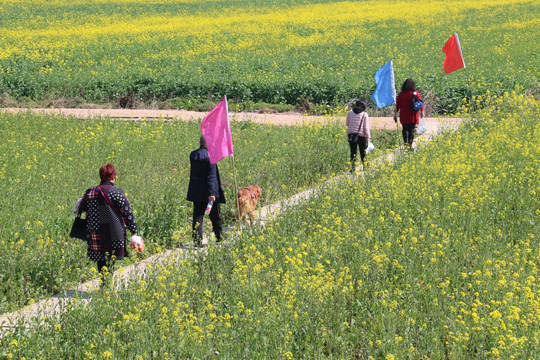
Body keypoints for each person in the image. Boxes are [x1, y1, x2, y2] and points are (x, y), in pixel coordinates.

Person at [77, 164, 139, 287]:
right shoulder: (116, 192)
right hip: (113, 231)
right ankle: (107, 285)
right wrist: (134, 231)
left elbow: (81, 208)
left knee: (101, 259)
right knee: (111, 258)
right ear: (114, 176)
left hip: (95, 231)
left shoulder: (90, 192)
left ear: (101, 176)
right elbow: (127, 212)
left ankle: (104, 285)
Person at [186, 135, 225, 247]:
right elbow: (211, 176)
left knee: (198, 217)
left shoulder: (193, 154)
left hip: (196, 191)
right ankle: (219, 238)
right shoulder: (211, 156)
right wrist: (212, 192)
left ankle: (197, 242)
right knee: (215, 216)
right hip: (209, 192)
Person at [394, 78, 424, 149]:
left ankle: (405, 144)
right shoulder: (416, 93)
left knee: (405, 129)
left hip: (404, 115)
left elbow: (398, 105)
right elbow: (420, 103)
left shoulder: (401, 94)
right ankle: (410, 145)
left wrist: (395, 113)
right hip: (413, 115)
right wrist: (422, 112)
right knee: (411, 129)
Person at [346, 99, 371, 171]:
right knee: (363, 152)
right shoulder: (364, 114)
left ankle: (353, 168)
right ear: (363, 106)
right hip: (361, 136)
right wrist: (368, 137)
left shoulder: (350, 112)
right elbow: (366, 127)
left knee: (353, 152)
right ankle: (365, 167)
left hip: (351, 135)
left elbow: (347, 123)